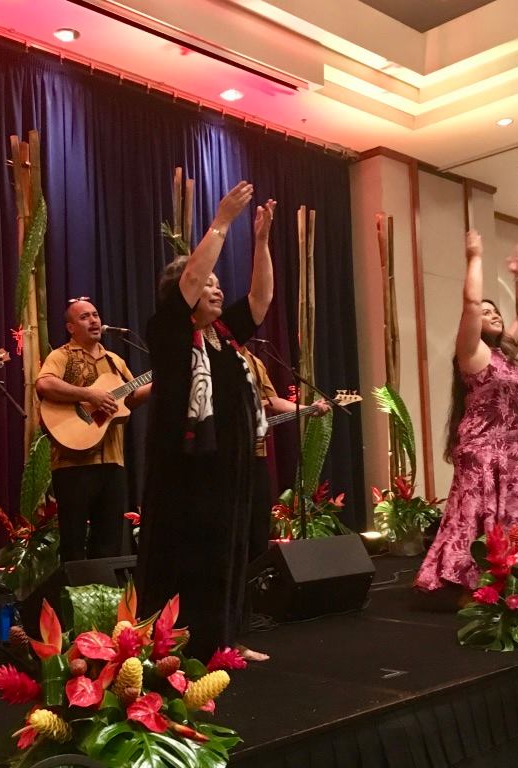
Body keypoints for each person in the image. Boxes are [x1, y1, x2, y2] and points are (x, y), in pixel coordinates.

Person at [137, 181, 275, 662]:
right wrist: (222, 222)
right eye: (209, 285)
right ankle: (180, 645)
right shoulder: (170, 332)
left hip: (230, 464)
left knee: (229, 551)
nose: (217, 289)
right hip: (187, 469)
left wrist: (261, 242)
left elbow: (260, 299)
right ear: (185, 294)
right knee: (191, 555)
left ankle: (225, 639)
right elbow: (192, 278)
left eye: (219, 284)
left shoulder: (222, 335)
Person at [415, 232, 518, 593]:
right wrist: (475, 257)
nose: (493, 315)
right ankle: (466, 579)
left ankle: (509, 577)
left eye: (496, 312)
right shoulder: (471, 352)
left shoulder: (506, 353)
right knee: (476, 512)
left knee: (510, 513)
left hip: (512, 451)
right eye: (487, 313)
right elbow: (470, 303)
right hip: (481, 449)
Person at [35, 298, 151, 561]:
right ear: (71, 327)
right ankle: (74, 588)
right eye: (85, 317)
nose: (94, 320)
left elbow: (131, 397)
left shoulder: (115, 361)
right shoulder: (62, 356)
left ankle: (103, 588)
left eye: (95, 315)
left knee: (109, 541)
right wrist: (89, 395)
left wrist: (163, 379)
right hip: (72, 463)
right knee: (74, 541)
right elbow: (44, 384)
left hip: (112, 462)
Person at [240, 347, 329, 562]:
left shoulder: (254, 360)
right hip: (229, 454)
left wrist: (308, 409)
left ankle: (256, 572)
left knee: (259, 516)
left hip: (256, 451)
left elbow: (272, 400)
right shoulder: (217, 355)